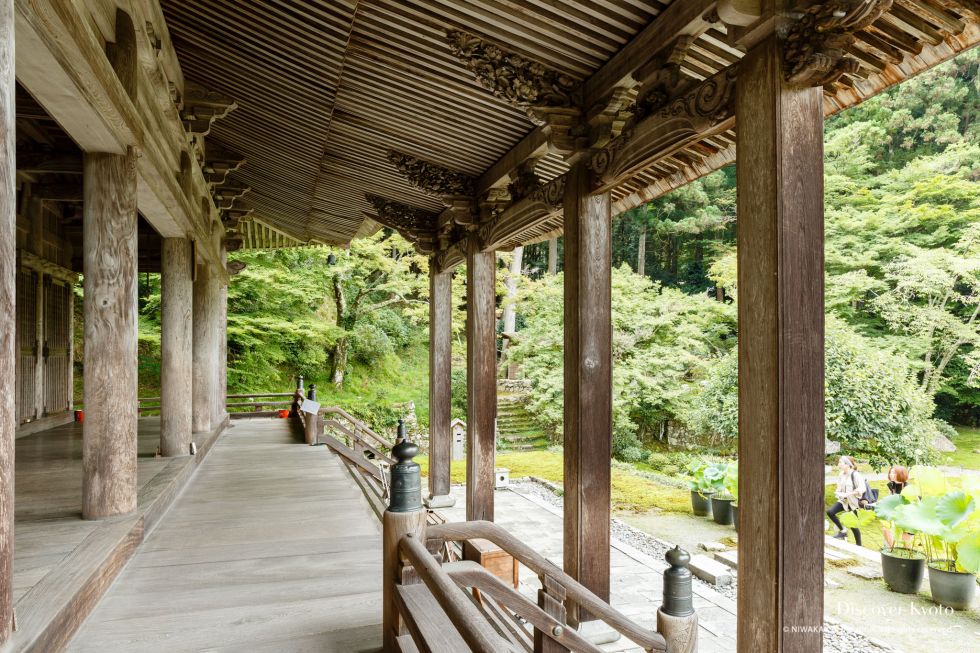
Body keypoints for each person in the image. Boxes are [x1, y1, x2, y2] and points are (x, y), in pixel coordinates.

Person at [827, 455, 866, 545]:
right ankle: (843, 531)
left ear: (847, 465)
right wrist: (838, 491)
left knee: (852, 525)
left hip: (854, 503)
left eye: (841, 462)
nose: (838, 464)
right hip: (843, 501)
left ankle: (859, 545)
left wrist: (849, 494)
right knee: (830, 512)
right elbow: (839, 487)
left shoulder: (855, 475)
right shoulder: (841, 474)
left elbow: (862, 488)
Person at [882, 465, 911, 549]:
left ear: (901, 474)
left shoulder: (908, 487)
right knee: (885, 529)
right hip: (895, 513)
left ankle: (909, 555)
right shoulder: (891, 485)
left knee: (906, 538)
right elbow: (889, 499)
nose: (891, 474)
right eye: (890, 472)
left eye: (894, 473)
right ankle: (892, 550)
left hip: (907, 515)